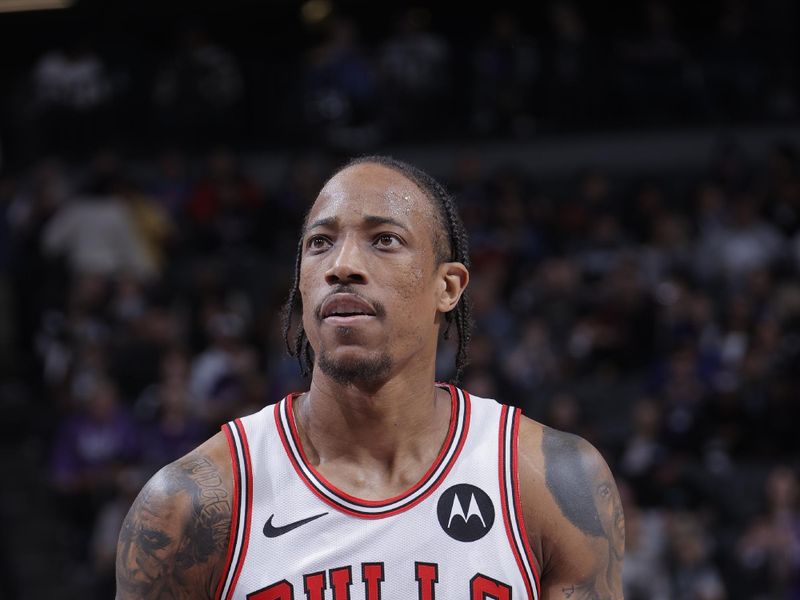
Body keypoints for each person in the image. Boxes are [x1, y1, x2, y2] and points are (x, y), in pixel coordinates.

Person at [115, 156, 625, 599]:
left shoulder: (550, 482)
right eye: (320, 243)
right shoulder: (193, 504)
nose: (343, 265)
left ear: (447, 287)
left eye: (384, 240)